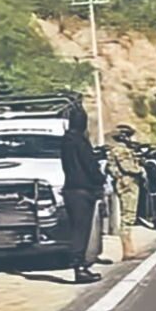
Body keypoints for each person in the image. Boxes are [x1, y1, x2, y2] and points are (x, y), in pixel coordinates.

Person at [60, 106, 106, 284]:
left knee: (76, 229)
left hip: (70, 188)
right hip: (83, 190)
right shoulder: (80, 142)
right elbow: (89, 165)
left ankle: (79, 264)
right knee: (82, 231)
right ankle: (80, 267)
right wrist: (100, 179)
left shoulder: (65, 142)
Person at [107, 125, 143, 259]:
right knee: (128, 216)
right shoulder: (121, 151)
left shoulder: (119, 150)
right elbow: (129, 168)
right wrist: (141, 169)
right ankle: (127, 249)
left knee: (129, 216)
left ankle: (129, 247)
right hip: (128, 184)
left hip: (126, 183)